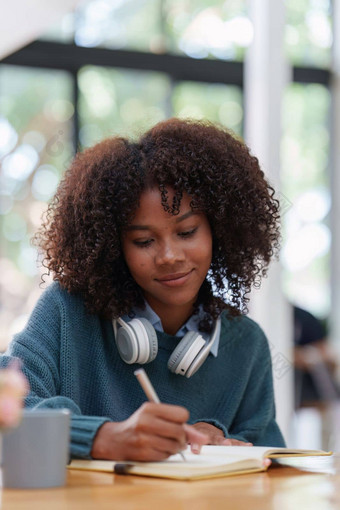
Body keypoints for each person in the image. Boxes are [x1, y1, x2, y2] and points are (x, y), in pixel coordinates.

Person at [0, 118, 285, 461]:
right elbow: (8, 408)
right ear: (114, 246)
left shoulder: (246, 344)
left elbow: (272, 457)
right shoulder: (65, 313)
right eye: (144, 241)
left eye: (187, 232)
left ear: (219, 230)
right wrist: (102, 438)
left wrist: (224, 442)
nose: (169, 257)